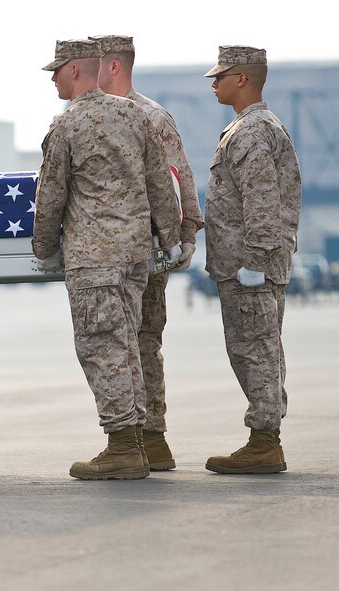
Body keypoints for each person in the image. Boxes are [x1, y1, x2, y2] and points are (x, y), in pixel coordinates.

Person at [33, 39, 182, 480]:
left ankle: (121, 446)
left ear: (76, 70)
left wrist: (43, 249)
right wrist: (170, 239)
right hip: (136, 257)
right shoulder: (137, 116)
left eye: (56, 70)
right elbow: (162, 185)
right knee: (129, 346)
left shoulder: (67, 125)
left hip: (94, 258)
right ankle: (136, 440)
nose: (53, 79)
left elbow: (51, 197)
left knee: (102, 348)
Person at [93, 34, 205, 470]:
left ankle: (151, 436)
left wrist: (187, 235)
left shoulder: (151, 116)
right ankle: (134, 436)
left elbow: (180, 178)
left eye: (94, 64)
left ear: (115, 66)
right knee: (118, 345)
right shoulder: (87, 114)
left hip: (146, 252)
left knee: (142, 343)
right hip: (105, 252)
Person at [202, 46, 301, 474]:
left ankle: (264, 442)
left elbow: (261, 200)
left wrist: (256, 262)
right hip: (247, 266)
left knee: (255, 351)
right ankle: (265, 437)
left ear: (242, 78)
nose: (213, 82)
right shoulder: (252, 126)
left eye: (221, 75)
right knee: (258, 349)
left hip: (249, 268)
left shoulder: (252, 131)